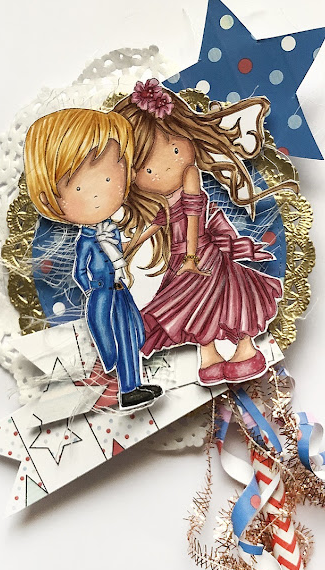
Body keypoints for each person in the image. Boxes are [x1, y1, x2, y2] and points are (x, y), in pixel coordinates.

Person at [113, 80, 297, 385]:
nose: (164, 168)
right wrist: (130, 246)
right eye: (147, 169)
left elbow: (193, 216)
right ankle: (209, 355)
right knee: (193, 307)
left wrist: (191, 257)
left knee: (221, 297)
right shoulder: (165, 198)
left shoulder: (190, 175)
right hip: (180, 257)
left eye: (175, 149)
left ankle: (246, 349)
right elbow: (158, 223)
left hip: (201, 253)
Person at [24, 108, 161, 408]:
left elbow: (121, 254)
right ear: (49, 196)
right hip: (102, 295)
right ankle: (125, 387)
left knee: (130, 334)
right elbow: (79, 271)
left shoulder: (111, 231)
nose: (100, 192)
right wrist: (92, 290)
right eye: (79, 186)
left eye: (111, 177)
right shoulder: (86, 239)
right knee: (110, 339)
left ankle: (134, 385)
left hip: (121, 292)